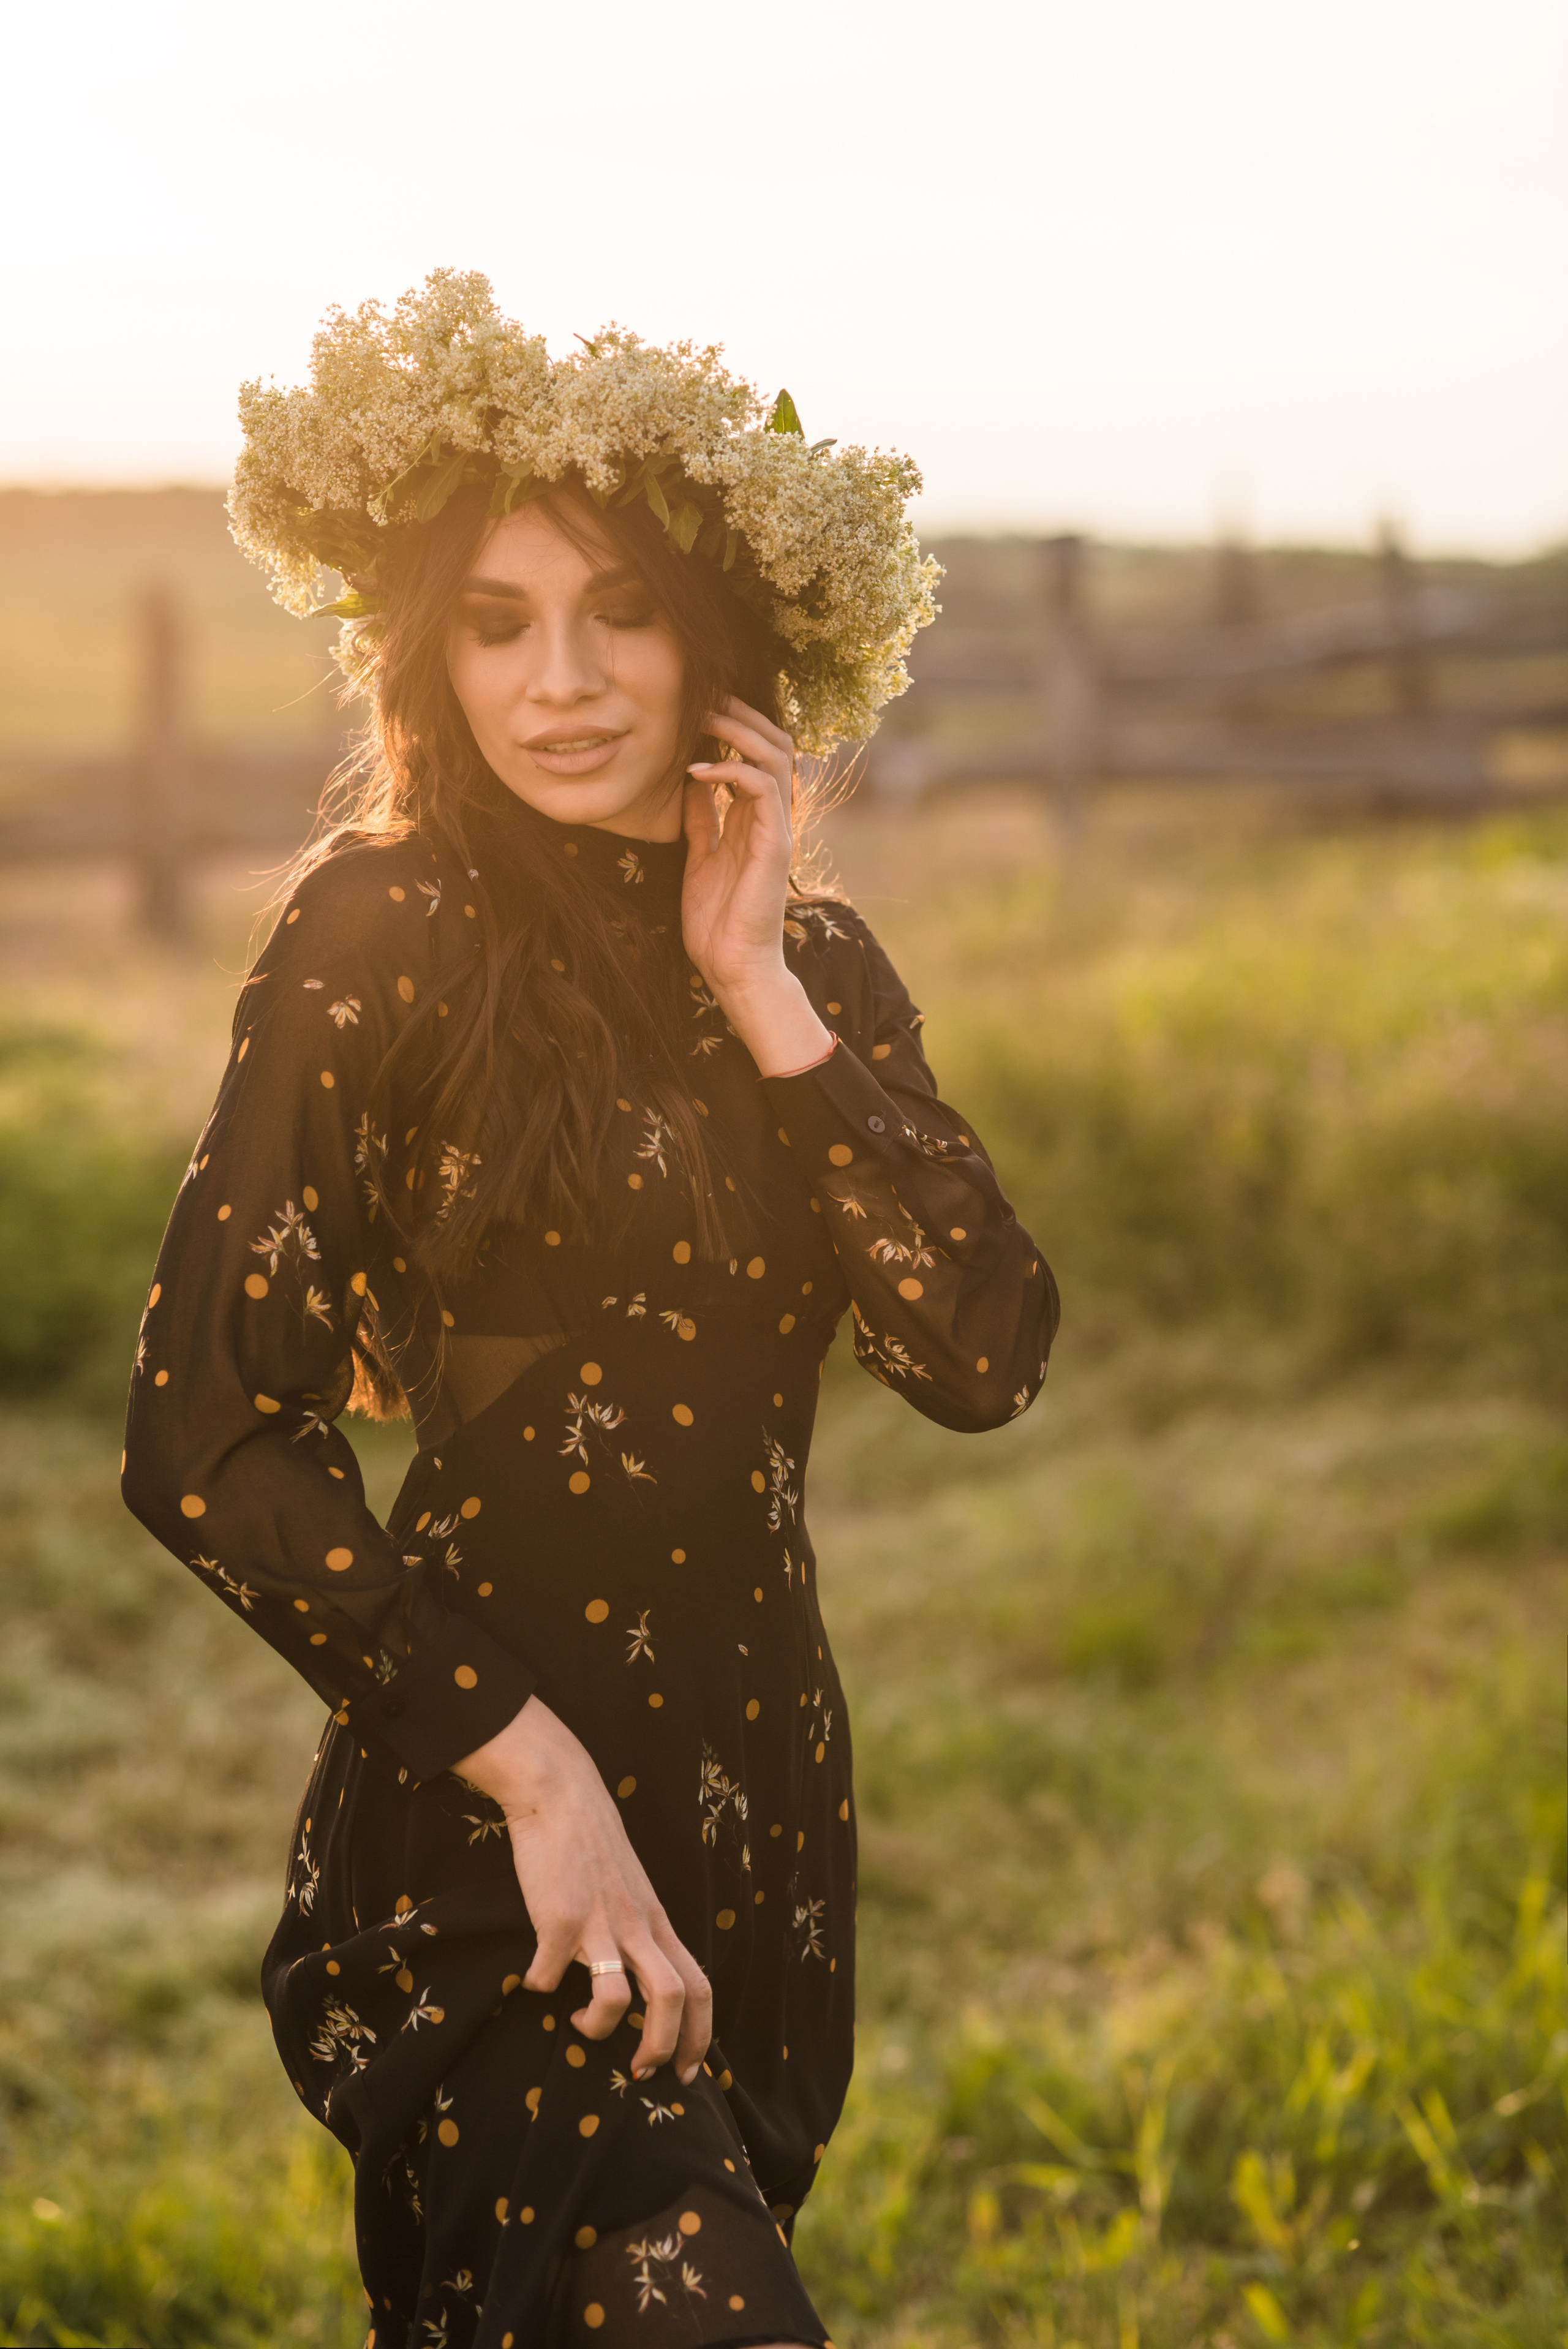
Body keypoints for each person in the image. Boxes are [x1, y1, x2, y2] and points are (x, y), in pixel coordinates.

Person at [123, 274, 1058, 2348]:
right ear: (424, 650)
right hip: (484, 1827)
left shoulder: (810, 957)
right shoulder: (379, 932)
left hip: (757, 1801)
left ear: (718, 644)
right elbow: (202, 1435)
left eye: (617, 613)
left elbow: (981, 1352)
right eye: (496, 620)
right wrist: (535, 1777)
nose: (558, 679)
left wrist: (762, 983)